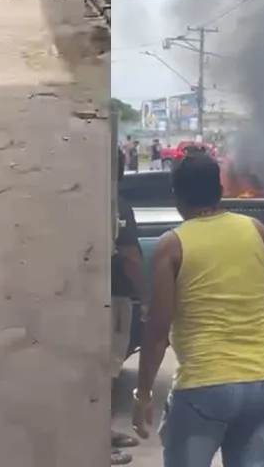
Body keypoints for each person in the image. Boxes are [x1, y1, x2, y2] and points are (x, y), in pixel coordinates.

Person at [132, 153, 264, 467]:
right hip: (260, 383)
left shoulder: (172, 245)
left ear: (176, 197)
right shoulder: (258, 232)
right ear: (220, 191)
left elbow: (157, 329)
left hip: (202, 387)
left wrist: (143, 394)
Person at [111, 148, 145, 465]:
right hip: (115, 298)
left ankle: (103, 433)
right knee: (106, 372)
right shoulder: (117, 206)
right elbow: (132, 259)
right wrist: (145, 298)